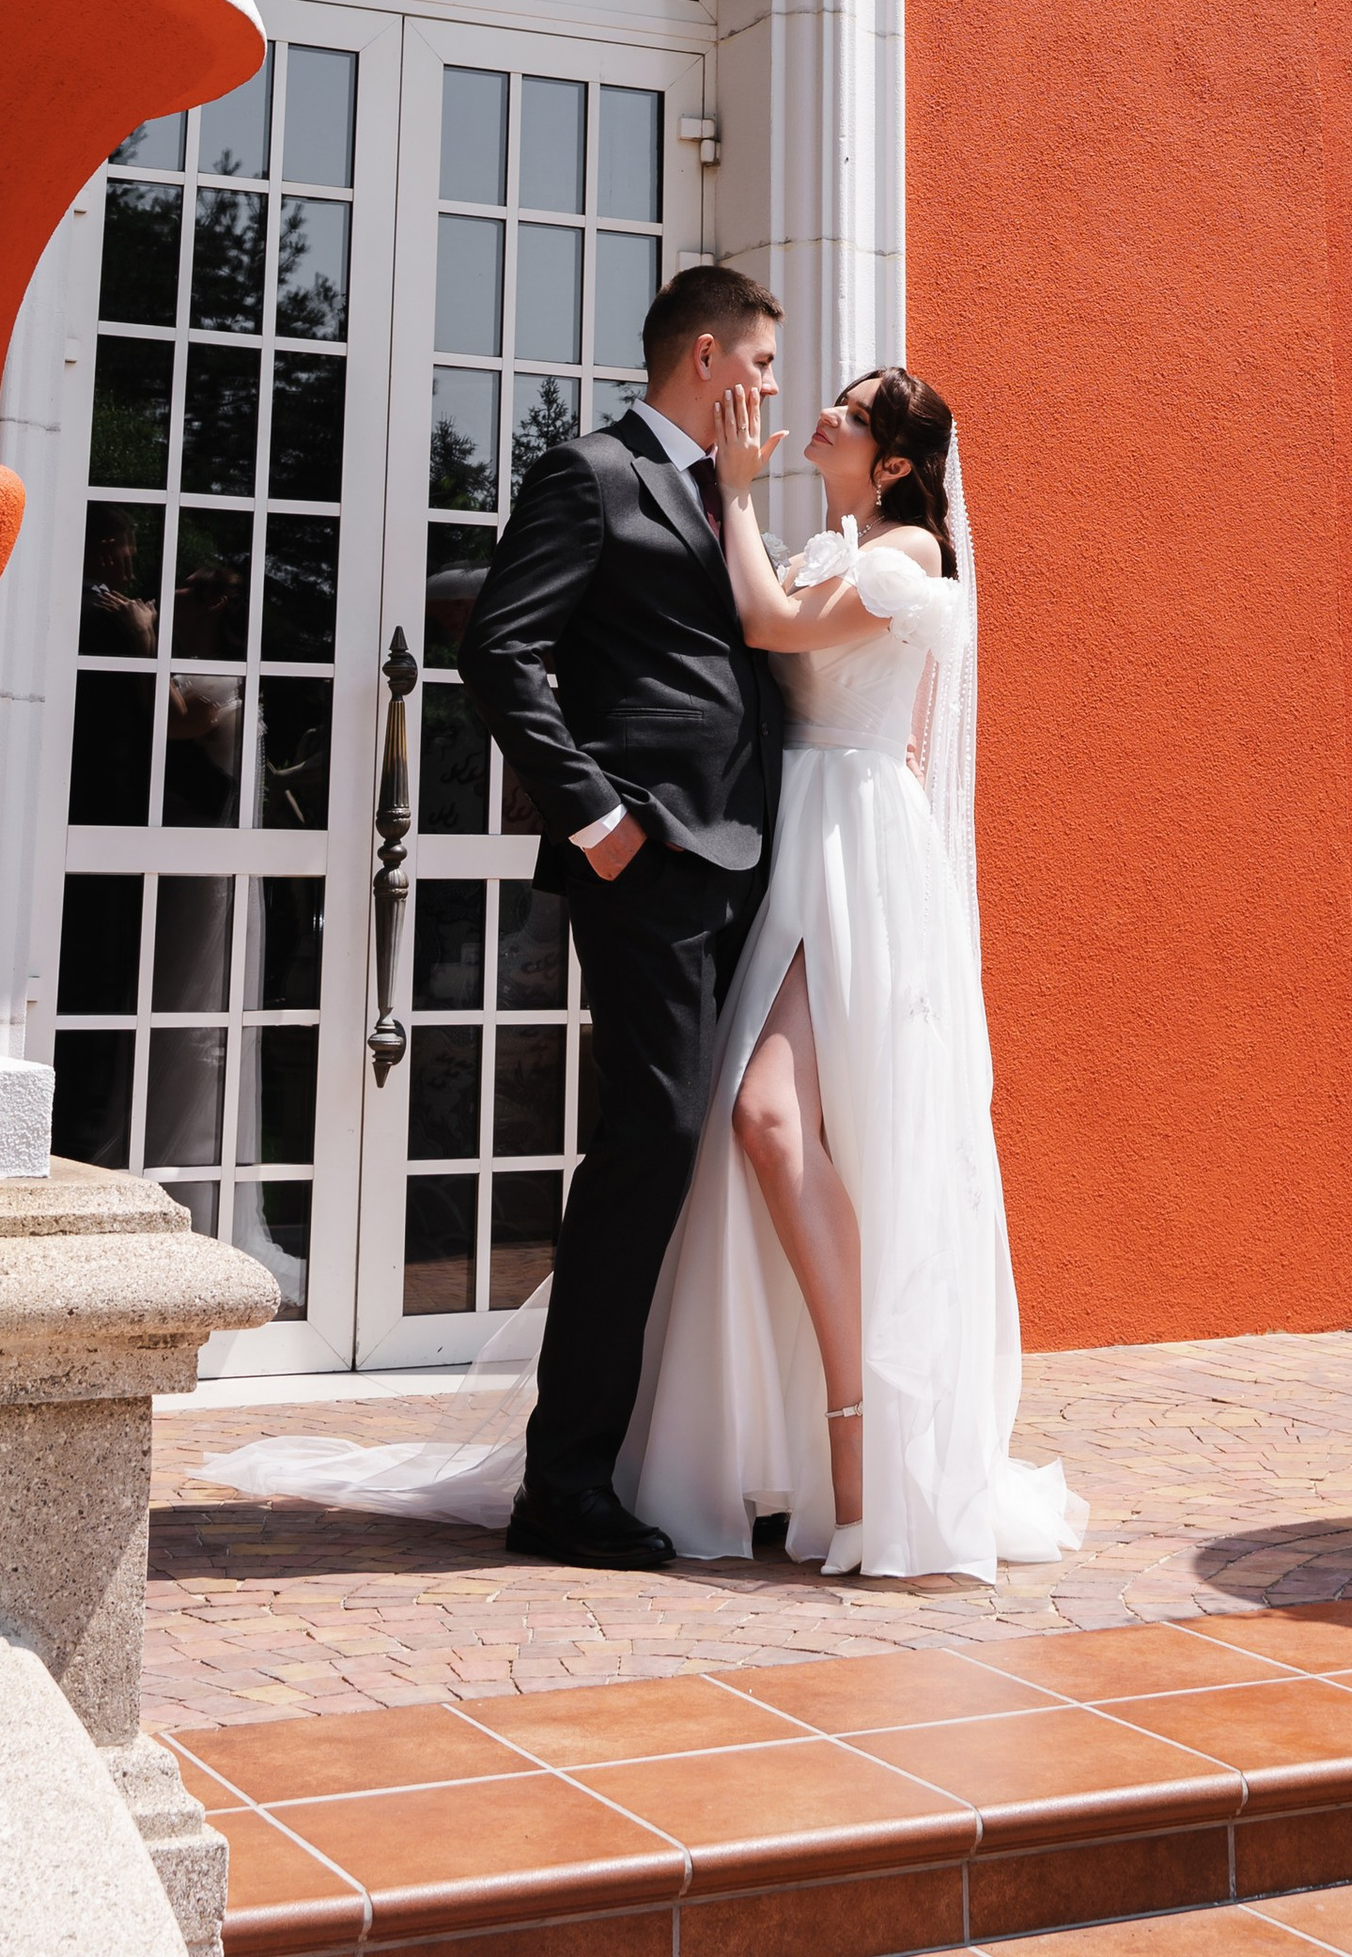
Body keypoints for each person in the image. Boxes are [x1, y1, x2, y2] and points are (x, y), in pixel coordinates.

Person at [620, 368, 1081, 1579]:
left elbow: (770, 627)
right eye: (833, 396)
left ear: (888, 462)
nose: (824, 411)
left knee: (774, 1119)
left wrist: (724, 492)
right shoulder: (833, 540)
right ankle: (800, 1438)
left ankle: (862, 1432)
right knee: (770, 1125)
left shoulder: (909, 555)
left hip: (860, 844)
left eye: (853, 411)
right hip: (796, 836)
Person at [448, 261, 786, 1571]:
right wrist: (596, 817)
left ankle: (691, 1456)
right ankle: (566, 1482)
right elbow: (499, 648)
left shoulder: (726, 497)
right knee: (650, 1147)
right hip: (645, 868)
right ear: (705, 358)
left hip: (749, 867)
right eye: (759, 364)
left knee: (707, 1156)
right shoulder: (589, 473)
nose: (768, 389)